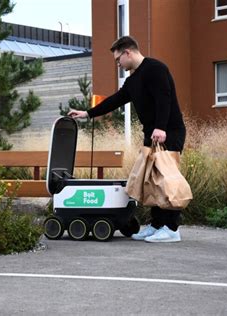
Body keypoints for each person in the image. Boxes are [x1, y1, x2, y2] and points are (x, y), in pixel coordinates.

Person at [68, 36, 186, 243]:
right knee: (152, 181)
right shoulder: (133, 81)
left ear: (127, 52)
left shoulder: (155, 69)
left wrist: (160, 127)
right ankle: (157, 225)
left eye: (118, 60)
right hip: (152, 135)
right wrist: (87, 113)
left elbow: (164, 98)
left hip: (168, 132)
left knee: (166, 180)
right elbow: (115, 100)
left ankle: (171, 228)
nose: (118, 64)